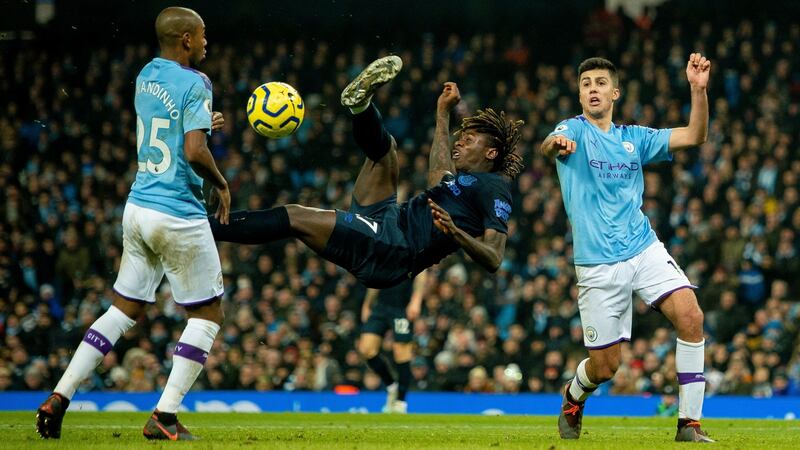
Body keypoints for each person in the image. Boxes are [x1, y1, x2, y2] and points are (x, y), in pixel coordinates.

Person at [36, 6, 230, 441]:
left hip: (138, 208)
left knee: (122, 310)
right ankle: (165, 414)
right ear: (185, 39)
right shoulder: (197, 82)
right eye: (201, 35)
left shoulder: (146, 75)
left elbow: (170, 127)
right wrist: (222, 184)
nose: (205, 43)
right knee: (207, 312)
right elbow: (195, 151)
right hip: (177, 211)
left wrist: (202, 124)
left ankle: (60, 396)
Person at [210, 55, 524, 291]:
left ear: (491, 153)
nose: (461, 140)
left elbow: (494, 258)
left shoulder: (495, 187)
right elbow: (437, 174)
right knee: (386, 151)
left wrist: (456, 232)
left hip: (394, 249)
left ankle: (206, 227)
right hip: (389, 216)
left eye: (471, 140)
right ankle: (360, 105)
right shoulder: (464, 182)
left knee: (295, 216)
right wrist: (442, 114)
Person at [540, 53, 713, 442]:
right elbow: (548, 146)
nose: (593, 89)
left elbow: (694, 135)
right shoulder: (573, 130)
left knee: (691, 315)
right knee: (605, 368)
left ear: (614, 92)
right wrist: (556, 144)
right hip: (598, 263)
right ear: (580, 95)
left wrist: (698, 91)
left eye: (600, 83)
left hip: (642, 247)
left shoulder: (634, 138)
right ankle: (573, 394)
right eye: (586, 85)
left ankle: (689, 424)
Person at [359, 271, 426, 413]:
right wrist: (367, 303)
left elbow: (421, 273)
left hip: (402, 306)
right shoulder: (382, 250)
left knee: (401, 353)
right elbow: (375, 274)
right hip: (381, 306)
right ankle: (391, 385)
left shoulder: (412, 248)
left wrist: (416, 300)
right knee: (366, 349)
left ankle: (401, 402)